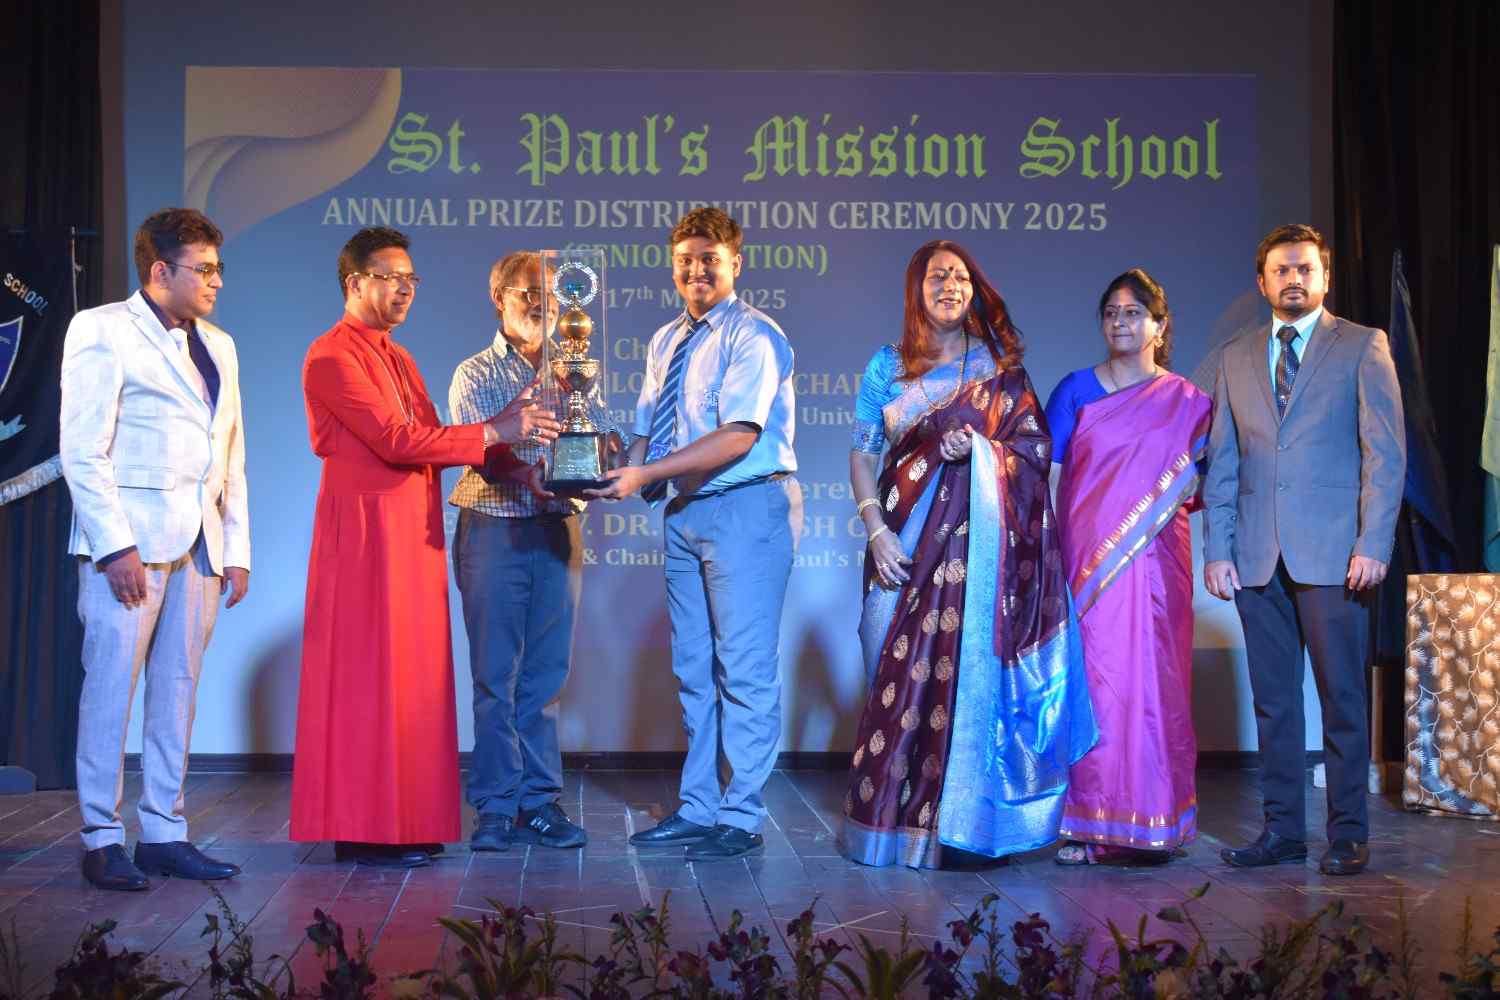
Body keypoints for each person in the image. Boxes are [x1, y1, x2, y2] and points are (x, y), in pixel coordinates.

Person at [290, 227, 559, 867]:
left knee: (413, 679)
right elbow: (396, 441)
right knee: (368, 678)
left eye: (411, 278)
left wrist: (517, 460)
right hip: (365, 536)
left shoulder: (398, 356)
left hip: (412, 531)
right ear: (355, 283)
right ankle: (362, 828)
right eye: (391, 277)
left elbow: (436, 437)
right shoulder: (331, 355)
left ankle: (407, 819)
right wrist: (498, 427)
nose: (405, 289)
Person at [839, 239, 1097, 869]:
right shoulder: (887, 366)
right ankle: (895, 826)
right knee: (893, 673)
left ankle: (966, 829)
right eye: (937, 277)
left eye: (959, 276)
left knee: (970, 678)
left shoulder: (1000, 369)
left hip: (980, 561)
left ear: (974, 289)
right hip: (902, 543)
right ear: (916, 289)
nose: (949, 286)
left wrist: (982, 451)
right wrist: (876, 530)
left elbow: (1033, 452)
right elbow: (863, 454)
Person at [590, 207, 800, 862]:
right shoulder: (665, 340)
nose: (696, 270)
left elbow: (738, 437)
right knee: (692, 670)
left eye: (709, 259)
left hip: (745, 507)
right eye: (685, 259)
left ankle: (741, 814)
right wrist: (605, 462)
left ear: (736, 262)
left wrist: (646, 472)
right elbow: (648, 433)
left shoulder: (754, 335)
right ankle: (699, 805)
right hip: (684, 512)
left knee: (744, 668)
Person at [1205, 224, 1405, 877]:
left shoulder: (1363, 346)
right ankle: (1283, 831)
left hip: (1336, 554)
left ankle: (1348, 833)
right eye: (1281, 270)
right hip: (1256, 554)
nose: (1294, 279)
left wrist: (1372, 542)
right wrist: (1217, 548)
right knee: (1275, 703)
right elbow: (1223, 462)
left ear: (1325, 278)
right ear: (1262, 282)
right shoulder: (1235, 355)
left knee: (1342, 698)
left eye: (1305, 269)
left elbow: (1385, 454)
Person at [60, 207, 249, 890]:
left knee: (176, 693)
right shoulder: (102, 329)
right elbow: (83, 449)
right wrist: (114, 546)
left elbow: (231, 454)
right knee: (111, 690)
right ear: (160, 270)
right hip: (130, 546)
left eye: (219, 269)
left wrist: (237, 548)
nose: (217, 281)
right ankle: (101, 836)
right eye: (205, 269)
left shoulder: (220, 344)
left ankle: (164, 832)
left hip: (199, 544)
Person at [449, 251, 618, 853]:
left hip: (556, 529)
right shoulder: (474, 372)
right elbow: (481, 451)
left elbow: (598, 435)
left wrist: (609, 459)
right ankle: (496, 805)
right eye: (528, 292)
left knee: (546, 676)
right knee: (496, 676)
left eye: (550, 292)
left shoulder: (575, 367)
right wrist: (531, 476)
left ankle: (539, 801)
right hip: (494, 528)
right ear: (498, 297)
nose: (543, 303)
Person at [1045, 269, 1211, 865]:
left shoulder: (1188, 403)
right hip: (1089, 564)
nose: (1120, 321)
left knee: (1156, 685)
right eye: (1111, 312)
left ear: (1159, 326)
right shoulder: (1075, 391)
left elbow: (1196, 486)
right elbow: (1050, 477)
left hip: (1161, 566)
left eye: (1134, 312)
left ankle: (1157, 819)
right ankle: (1088, 823)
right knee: (1096, 685)